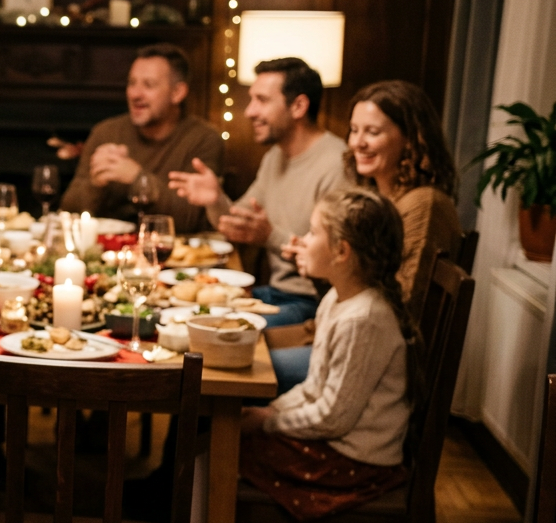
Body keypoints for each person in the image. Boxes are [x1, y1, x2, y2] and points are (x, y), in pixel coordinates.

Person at [239, 188, 417, 521]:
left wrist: (269, 423)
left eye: (312, 232)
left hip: (356, 461)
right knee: (221, 439)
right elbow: (315, 386)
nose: (302, 240)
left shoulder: (363, 319)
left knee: (224, 449)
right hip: (336, 443)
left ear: (341, 251)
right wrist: (273, 409)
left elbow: (333, 417)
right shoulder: (337, 299)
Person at [168, 57, 348, 330]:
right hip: (275, 292)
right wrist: (215, 200)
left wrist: (269, 236)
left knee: (208, 330)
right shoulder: (275, 156)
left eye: (262, 100)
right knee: (178, 312)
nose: (250, 111)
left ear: (298, 106)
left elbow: (338, 259)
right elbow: (236, 224)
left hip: (313, 304)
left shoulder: (336, 164)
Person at [59, 43, 224, 234]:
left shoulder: (203, 139)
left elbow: (190, 220)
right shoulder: (106, 132)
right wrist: (96, 185)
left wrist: (138, 179)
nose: (135, 94)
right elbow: (68, 212)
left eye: (149, 85)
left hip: (171, 255)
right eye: (132, 83)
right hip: (108, 250)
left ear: (177, 92)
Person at [343, 80, 461, 309]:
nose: (357, 143)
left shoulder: (424, 204)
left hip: (381, 337)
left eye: (373, 132)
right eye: (354, 130)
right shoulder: (376, 196)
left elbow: (406, 298)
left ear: (411, 138)